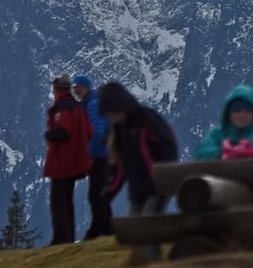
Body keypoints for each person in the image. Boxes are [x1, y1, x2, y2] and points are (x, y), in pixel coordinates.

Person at [97, 82, 179, 214]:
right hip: (138, 190)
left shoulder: (147, 120)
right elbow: (119, 165)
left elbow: (168, 147)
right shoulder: (118, 131)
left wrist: (164, 178)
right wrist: (109, 192)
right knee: (133, 228)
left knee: (146, 224)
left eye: (113, 113)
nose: (112, 118)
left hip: (158, 186)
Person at [43, 73, 91, 245]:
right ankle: (68, 236)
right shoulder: (78, 107)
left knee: (58, 201)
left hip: (62, 161)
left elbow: (63, 131)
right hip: (75, 161)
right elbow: (88, 132)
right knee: (67, 200)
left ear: (57, 89)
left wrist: (49, 134)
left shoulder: (62, 107)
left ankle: (61, 237)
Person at [72, 75, 113, 240]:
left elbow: (97, 131)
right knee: (98, 193)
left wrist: (90, 155)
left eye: (78, 87)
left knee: (96, 194)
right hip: (103, 154)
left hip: (100, 156)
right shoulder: (91, 102)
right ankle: (106, 229)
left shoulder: (92, 104)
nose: (75, 90)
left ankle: (99, 231)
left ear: (85, 87)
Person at [192, 84, 253, 160]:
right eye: (237, 110)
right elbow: (201, 154)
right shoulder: (217, 136)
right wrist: (222, 152)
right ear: (228, 113)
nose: (242, 115)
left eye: (247, 111)